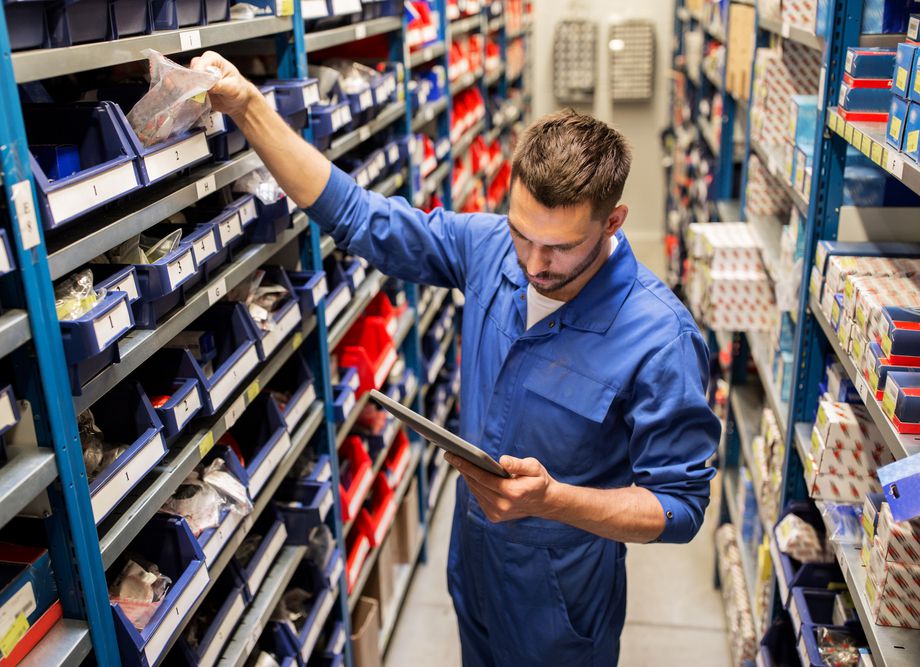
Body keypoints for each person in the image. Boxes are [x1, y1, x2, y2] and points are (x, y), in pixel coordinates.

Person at [190, 51, 720, 667]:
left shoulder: (660, 337)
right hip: (473, 560)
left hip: (561, 599)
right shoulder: (489, 246)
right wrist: (250, 107)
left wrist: (554, 501)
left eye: (559, 247)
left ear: (613, 223)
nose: (531, 265)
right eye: (523, 233)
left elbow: (680, 506)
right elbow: (358, 215)